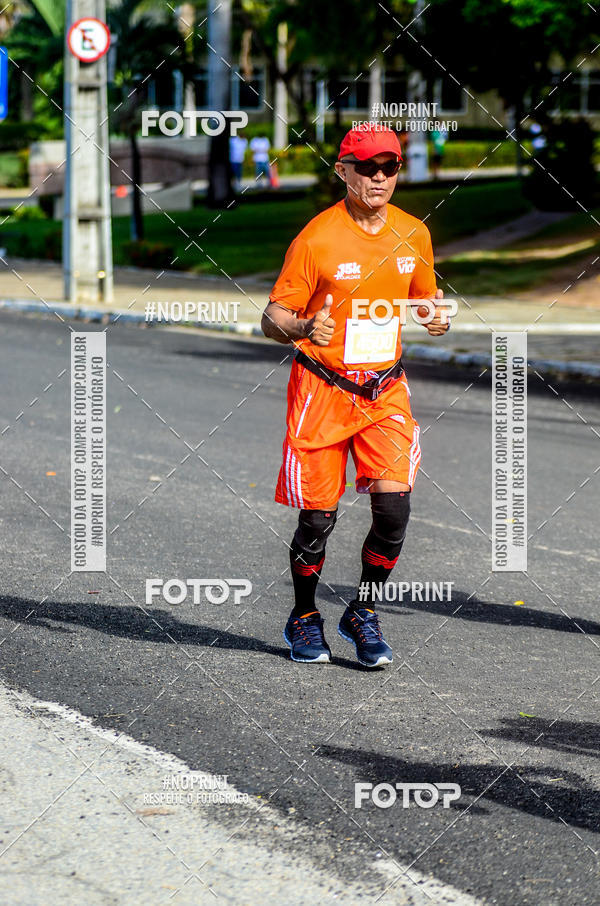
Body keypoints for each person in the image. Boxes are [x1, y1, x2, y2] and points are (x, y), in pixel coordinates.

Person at [261, 124, 450, 668]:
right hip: (322, 389)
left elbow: (421, 300)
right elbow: (272, 315)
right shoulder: (317, 238)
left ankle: (362, 611)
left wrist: (432, 316)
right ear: (342, 171)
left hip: (384, 389)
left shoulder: (414, 233)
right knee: (317, 519)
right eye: (366, 167)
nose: (379, 177)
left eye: (389, 167)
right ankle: (303, 616)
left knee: (393, 510)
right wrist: (301, 328)